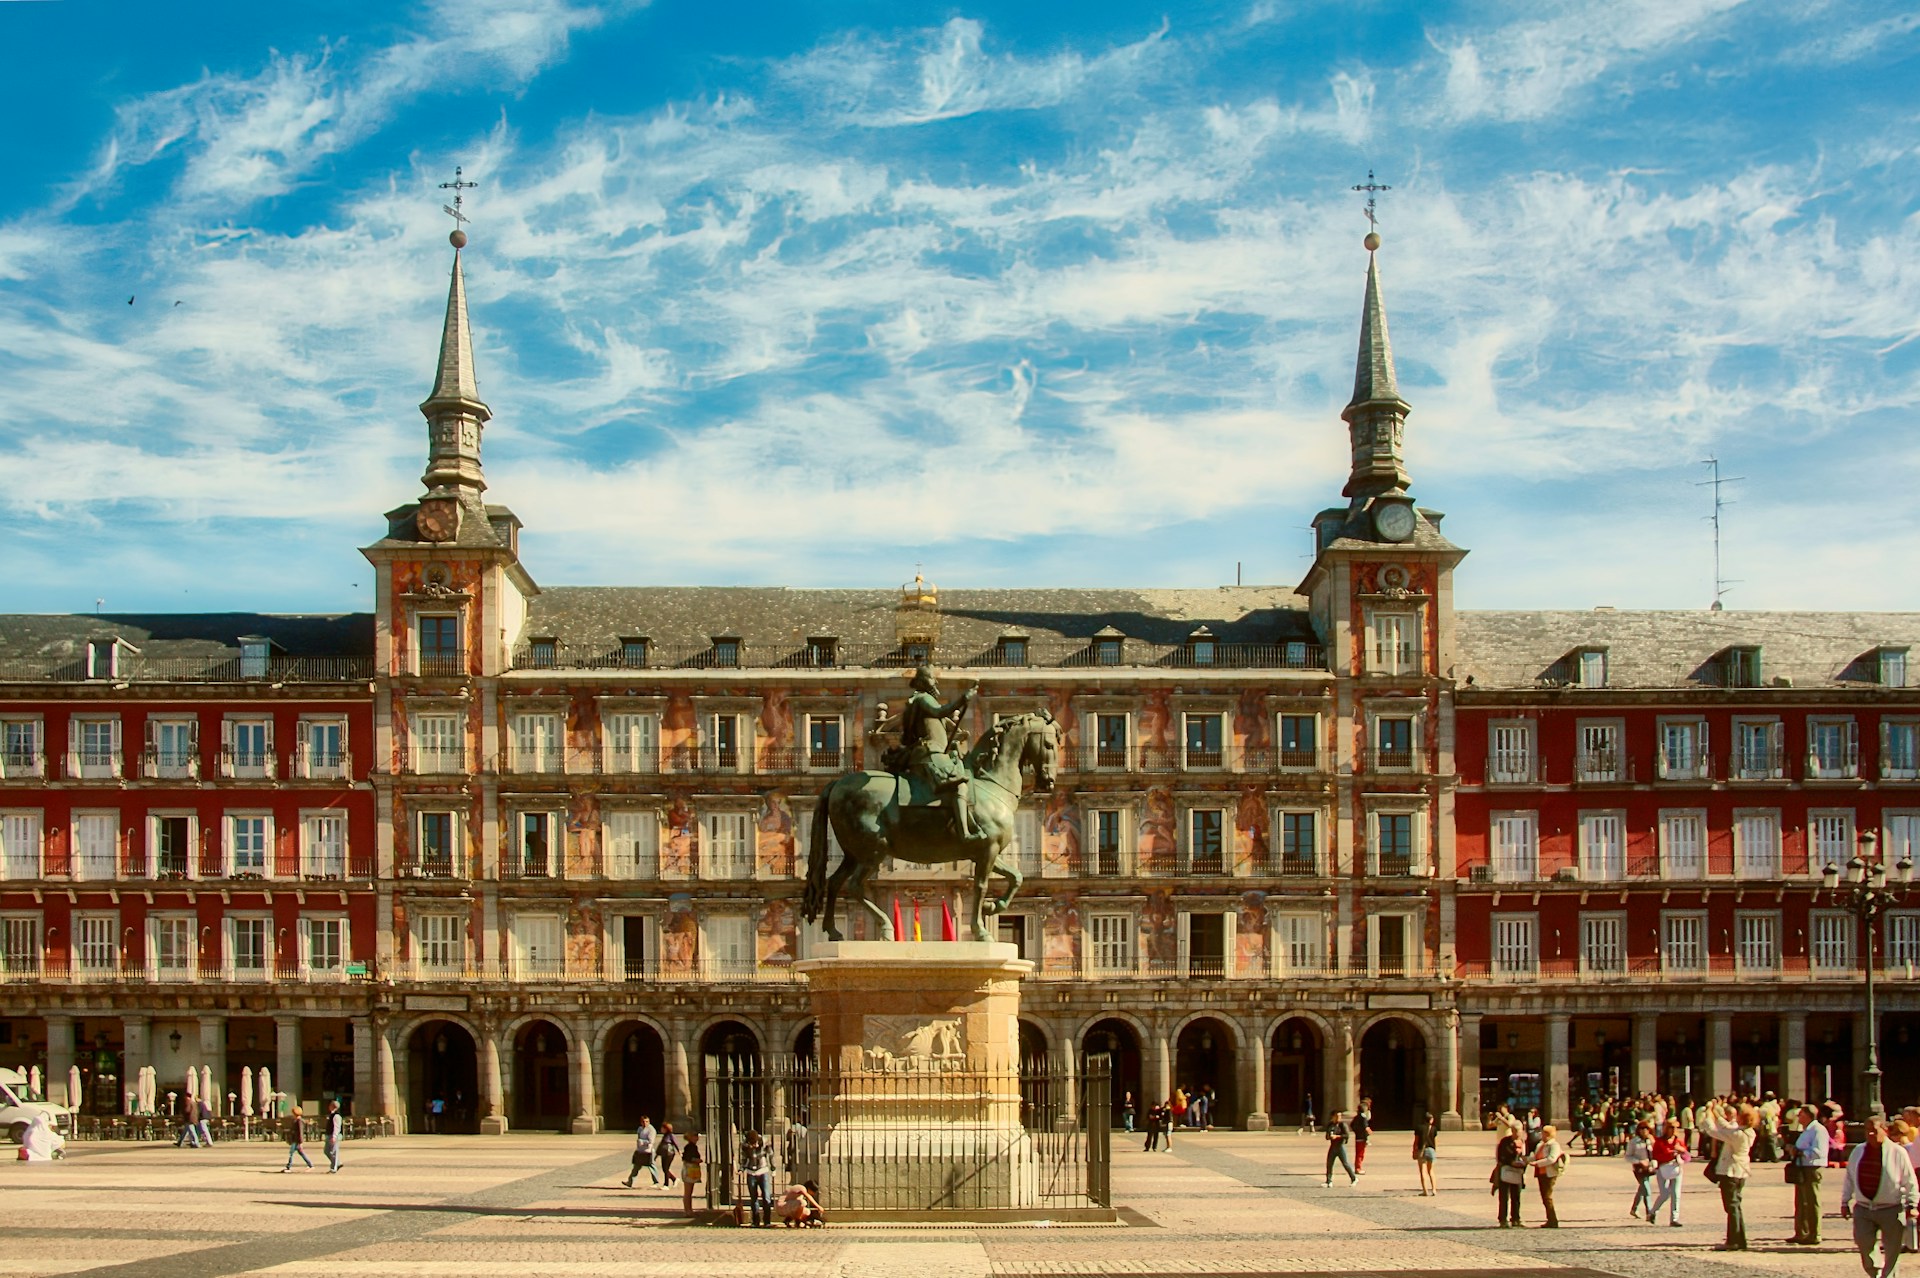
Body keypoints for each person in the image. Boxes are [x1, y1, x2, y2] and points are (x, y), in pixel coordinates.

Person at [1841, 1117, 1920, 1278]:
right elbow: (1849, 1178)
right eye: (1867, 1130)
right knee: (1864, 1243)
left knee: (1892, 1249)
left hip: (1891, 1208)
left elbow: (1909, 1179)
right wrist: (1845, 1201)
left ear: (1885, 1130)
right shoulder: (1858, 1151)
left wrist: (1912, 1204)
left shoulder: (1898, 1152)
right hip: (1863, 1208)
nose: (1870, 1134)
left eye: (1874, 1130)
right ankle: (1874, 1271)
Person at [1700, 1099, 1756, 1252]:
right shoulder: (1748, 1132)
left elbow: (1714, 1131)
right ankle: (1739, 1239)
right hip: (1741, 1172)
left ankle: (1734, 1241)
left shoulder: (1738, 1134)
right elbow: (1726, 1126)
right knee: (1736, 1206)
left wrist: (1709, 1115)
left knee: (1731, 1207)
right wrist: (1715, 1112)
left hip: (1730, 1172)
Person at [1789, 1103, 1830, 1246]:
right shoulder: (1806, 1130)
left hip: (1812, 1168)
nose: (1798, 1117)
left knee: (1812, 1201)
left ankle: (1814, 1233)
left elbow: (1818, 1152)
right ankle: (1802, 1232)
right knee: (1801, 1201)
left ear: (1808, 1115)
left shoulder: (1818, 1130)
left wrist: (1799, 1152)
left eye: (1801, 1114)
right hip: (1801, 1167)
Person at [1648, 1118, 1687, 1227]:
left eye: (1675, 1127)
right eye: (1671, 1127)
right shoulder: (1660, 1141)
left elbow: (1687, 1156)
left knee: (1676, 1193)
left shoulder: (1678, 1141)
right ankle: (1653, 1212)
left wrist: (1682, 1151)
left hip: (1676, 1168)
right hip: (1663, 1169)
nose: (1673, 1130)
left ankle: (1674, 1218)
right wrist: (1668, 1155)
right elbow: (1655, 1156)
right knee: (1665, 1194)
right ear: (1666, 1128)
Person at [1528, 1123, 1567, 1228]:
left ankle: (1553, 1220)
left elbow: (1552, 1159)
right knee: (1544, 1197)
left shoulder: (1554, 1145)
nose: (1542, 1135)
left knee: (1547, 1197)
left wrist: (1537, 1163)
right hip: (1541, 1173)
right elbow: (1535, 1157)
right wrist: (1526, 1159)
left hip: (1549, 1173)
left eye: (1544, 1133)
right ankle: (1550, 1219)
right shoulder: (1541, 1145)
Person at [1492, 1130, 1526, 1227]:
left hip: (1518, 1172)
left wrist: (1524, 1162)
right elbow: (1500, 1157)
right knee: (1504, 1197)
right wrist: (1511, 1162)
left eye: (1519, 1132)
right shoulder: (1505, 1142)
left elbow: (1525, 1156)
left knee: (1516, 1197)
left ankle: (1516, 1218)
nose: (1517, 1135)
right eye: (1515, 1132)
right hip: (1506, 1171)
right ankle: (1503, 1219)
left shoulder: (1523, 1142)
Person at [741, 1130, 774, 1227]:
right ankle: (755, 1221)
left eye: (755, 1144)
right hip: (751, 1172)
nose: (754, 1146)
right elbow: (743, 1158)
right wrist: (742, 1168)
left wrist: (773, 1167)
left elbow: (771, 1155)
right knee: (753, 1197)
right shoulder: (744, 1145)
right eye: (751, 1144)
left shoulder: (764, 1142)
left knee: (766, 1196)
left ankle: (767, 1221)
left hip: (763, 1170)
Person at [1625, 1121, 1655, 1221]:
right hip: (1639, 1169)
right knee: (1647, 1190)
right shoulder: (1634, 1142)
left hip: (1650, 1168)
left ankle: (1634, 1208)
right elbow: (1628, 1156)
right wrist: (1639, 1161)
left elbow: (1655, 1153)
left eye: (1646, 1129)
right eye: (1642, 1129)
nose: (1644, 1131)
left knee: (1642, 1189)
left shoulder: (1651, 1140)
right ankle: (1650, 1213)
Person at [624, 1115, 659, 1188]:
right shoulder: (640, 1129)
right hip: (640, 1150)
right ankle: (630, 1181)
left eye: (646, 1121)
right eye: (643, 1122)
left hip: (648, 1151)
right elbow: (639, 1137)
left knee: (652, 1166)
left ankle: (656, 1182)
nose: (645, 1123)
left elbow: (651, 1141)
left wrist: (643, 1142)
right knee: (636, 1167)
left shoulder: (651, 1130)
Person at [1324, 1110, 1356, 1186]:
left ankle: (1353, 1178)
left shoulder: (1342, 1125)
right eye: (1337, 1116)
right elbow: (1327, 1136)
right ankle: (1329, 1181)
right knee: (1329, 1163)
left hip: (1340, 1146)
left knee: (1345, 1163)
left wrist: (1337, 1136)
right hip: (1333, 1146)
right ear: (1333, 1117)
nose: (1339, 1118)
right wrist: (1329, 1136)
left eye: (1340, 1116)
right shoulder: (1330, 1125)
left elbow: (1346, 1135)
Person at [1413, 1111, 1439, 1196]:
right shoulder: (1434, 1129)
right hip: (1431, 1150)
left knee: (1423, 1172)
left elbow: (1416, 1141)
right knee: (1431, 1171)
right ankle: (1434, 1190)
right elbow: (1435, 1141)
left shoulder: (1419, 1128)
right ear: (1431, 1120)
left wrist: (1414, 1151)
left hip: (1422, 1150)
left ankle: (1425, 1191)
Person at [680, 1132, 703, 1217]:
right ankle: (687, 1211)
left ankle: (689, 1210)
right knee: (688, 1192)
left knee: (689, 1192)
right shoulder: (690, 1147)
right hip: (689, 1169)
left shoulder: (692, 1146)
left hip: (691, 1169)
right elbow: (687, 1158)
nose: (697, 1138)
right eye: (695, 1136)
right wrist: (696, 1160)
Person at [282, 1107, 313, 1171]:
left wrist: (300, 1142)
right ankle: (310, 1165)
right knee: (301, 1153)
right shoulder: (297, 1120)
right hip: (296, 1140)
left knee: (291, 1153)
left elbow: (300, 1132)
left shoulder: (299, 1121)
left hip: (296, 1140)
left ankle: (289, 1166)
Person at [1352, 1098, 1372, 1174]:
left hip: (1358, 1137)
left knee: (1358, 1153)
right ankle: (1358, 1168)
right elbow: (1366, 1127)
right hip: (1362, 1138)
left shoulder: (1356, 1117)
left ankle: (1357, 1167)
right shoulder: (1363, 1118)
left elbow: (1352, 1125)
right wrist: (1369, 1132)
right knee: (1360, 1154)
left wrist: (1357, 1131)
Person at [323, 1099, 345, 1173]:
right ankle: (338, 1163)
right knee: (326, 1151)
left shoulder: (336, 1116)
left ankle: (333, 1168)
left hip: (334, 1135)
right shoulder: (331, 1115)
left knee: (334, 1151)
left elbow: (337, 1127)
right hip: (329, 1135)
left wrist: (334, 1136)